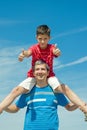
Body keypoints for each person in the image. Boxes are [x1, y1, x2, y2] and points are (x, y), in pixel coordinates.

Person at [0, 25, 87, 114]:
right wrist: (24, 55)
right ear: (36, 38)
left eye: (45, 39)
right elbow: (28, 52)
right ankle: (0, 107)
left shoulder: (51, 47)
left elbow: (56, 52)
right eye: (40, 38)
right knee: (16, 90)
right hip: (33, 76)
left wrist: (58, 52)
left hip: (50, 76)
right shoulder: (34, 48)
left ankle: (84, 106)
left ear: (49, 38)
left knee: (65, 88)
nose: (42, 41)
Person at [5, 60, 78, 130]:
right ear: (33, 73)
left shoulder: (56, 91)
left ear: (48, 72)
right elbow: (15, 108)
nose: (40, 72)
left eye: (43, 69)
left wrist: (79, 104)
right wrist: (4, 107)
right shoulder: (27, 91)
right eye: (37, 69)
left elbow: (69, 107)